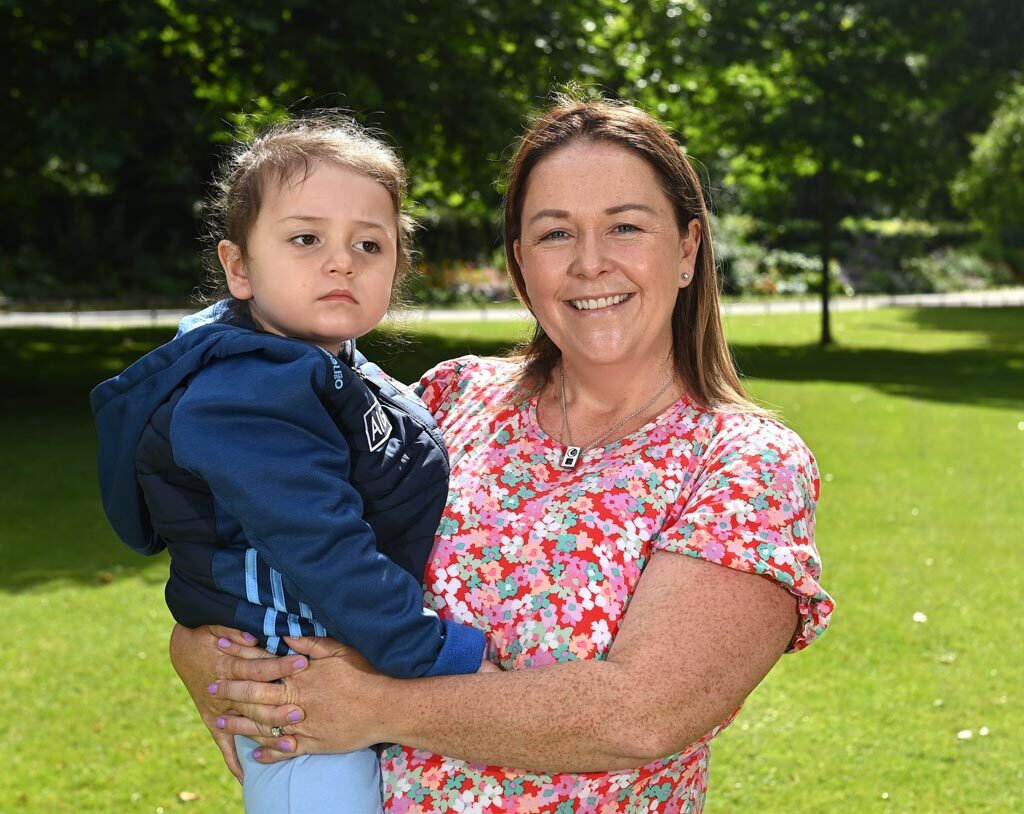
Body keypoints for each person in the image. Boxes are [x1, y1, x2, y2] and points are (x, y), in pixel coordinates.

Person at [169, 95, 835, 812]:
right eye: (554, 234)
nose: (589, 263)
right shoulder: (447, 400)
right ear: (521, 261)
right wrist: (202, 651)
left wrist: (377, 707)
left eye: (625, 227)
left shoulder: (743, 463)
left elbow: (642, 713)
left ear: (686, 249)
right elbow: (271, 533)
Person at [91, 114, 490, 814]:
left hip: (338, 671)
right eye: (306, 239)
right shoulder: (243, 397)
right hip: (293, 693)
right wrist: (440, 656)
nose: (342, 261)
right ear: (239, 267)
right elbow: (325, 548)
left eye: (369, 244)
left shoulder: (321, 364)